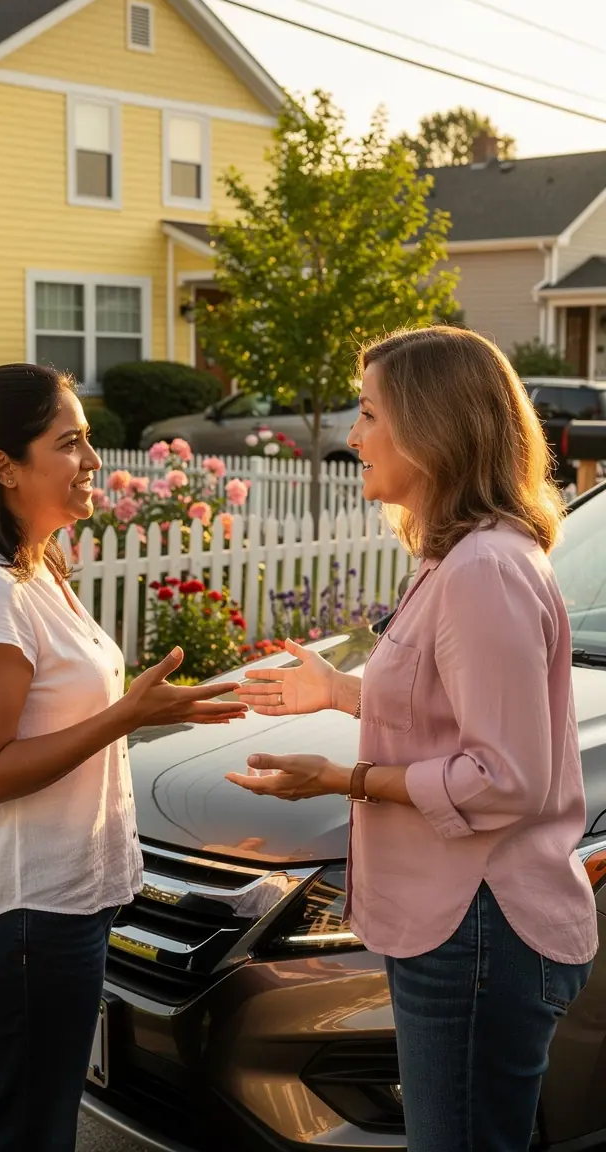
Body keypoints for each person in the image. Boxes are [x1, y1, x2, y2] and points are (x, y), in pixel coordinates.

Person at [226, 327, 597, 1152]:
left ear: (432, 428)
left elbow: (502, 778)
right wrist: (340, 691)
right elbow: (456, 712)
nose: (352, 437)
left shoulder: (483, 570)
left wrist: (341, 779)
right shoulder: (459, 558)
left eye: (367, 414)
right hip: (464, 929)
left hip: (482, 932)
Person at [0, 363, 247, 1152]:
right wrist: (129, 713)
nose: (94, 460)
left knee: (37, 1124)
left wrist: (148, 712)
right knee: (26, 1134)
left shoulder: (34, 567)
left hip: (52, 909)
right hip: (21, 916)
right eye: (71, 443)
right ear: (4, 467)